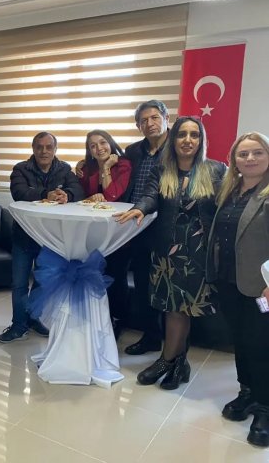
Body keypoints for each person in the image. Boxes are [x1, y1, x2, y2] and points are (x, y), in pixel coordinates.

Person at [115, 116, 226, 390]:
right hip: (167, 250)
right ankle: (178, 363)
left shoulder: (216, 170)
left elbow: (226, 207)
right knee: (172, 307)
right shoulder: (162, 170)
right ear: (173, 139)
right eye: (181, 134)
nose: (187, 140)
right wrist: (140, 208)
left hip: (198, 252)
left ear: (201, 140)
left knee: (182, 309)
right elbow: (150, 196)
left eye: (194, 135)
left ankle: (167, 361)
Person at [78, 100, 169, 354]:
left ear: (166, 118)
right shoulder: (134, 150)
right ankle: (150, 336)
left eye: (154, 118)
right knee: (140, 281)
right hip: (131, 225)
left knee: (159, 283)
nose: (149, 123)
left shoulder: (176, 148)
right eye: (143, 120)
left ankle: (167, 343)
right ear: (138, 125)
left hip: (163, 223)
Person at [205, 132, 269, 447]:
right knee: (241, 342)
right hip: (228, 280)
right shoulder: (229, 189)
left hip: (261, 288)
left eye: (257, 152)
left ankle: (265, 407)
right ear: (234, 159)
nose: (250, 159)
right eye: (243, 154)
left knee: (261, 345)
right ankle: (247, 392)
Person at [0, 132, 84, 343]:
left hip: (50, 237)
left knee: (42, 282)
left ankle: (33, 318)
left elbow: (78, 190)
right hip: (24, 235)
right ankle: (18, 325)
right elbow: (19, 192)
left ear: (55, 149)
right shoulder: (20, 169)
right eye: (39, 147)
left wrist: (67, 195)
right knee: (19, 283)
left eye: (49, 147)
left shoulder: (64, 169)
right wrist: (46, 194)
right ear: (33, 148)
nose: (44, 151)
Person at [78, 130, 132, 335]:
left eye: (102, 142)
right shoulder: (87, 168)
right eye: (93, 145)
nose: (99, 148)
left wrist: (107, 168)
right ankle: (100, 318)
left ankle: (118, 320)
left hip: (119, 231)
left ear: (110, 143)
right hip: (95, 232)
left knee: (117, 276)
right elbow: (83, 197)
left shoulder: (123, 165)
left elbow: (112, 196)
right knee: (97, 275)